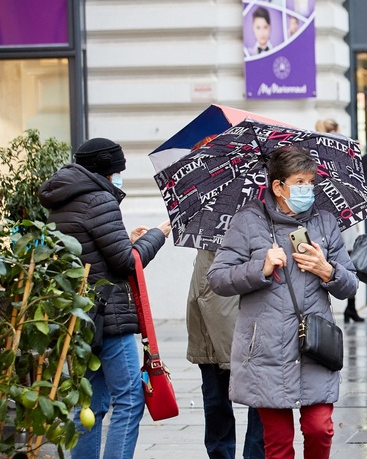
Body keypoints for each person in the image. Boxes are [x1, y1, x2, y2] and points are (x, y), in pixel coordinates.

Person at [208, 145, 359, 459]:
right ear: (278, 186)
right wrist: (258, 268)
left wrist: (327, 270)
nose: (307, 190)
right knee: (277, 443)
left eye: (310, 182)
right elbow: (218, 278)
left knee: (320, 428)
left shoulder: (326, 221)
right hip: (267, 349)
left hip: (315, 344)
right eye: (299, 182)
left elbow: (351, 284)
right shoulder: (248, 221)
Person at [38, 138, 171, 459]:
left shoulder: (64, 199)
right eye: (119, 170)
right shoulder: (99, 200)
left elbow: (89, 252)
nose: (121, 175)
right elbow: (126, 262)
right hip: (110, 315)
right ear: (106, 170)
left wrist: (125, 239)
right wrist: (157, 234)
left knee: (91, 404)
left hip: (82, 318)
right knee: (129, 400)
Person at [187, 250, 265, 459]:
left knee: (263, 398)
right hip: (212, 307)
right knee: (217, 398)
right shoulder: (209, 224)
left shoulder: (270, 222)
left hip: (258, 309)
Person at [315, 118, 364, 323]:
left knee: (340, 266)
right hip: (340, 225)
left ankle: (349, 308)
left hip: (337, 224)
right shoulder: (336, 156)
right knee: (346, 264)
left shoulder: (318, 155)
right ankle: (349, 308)